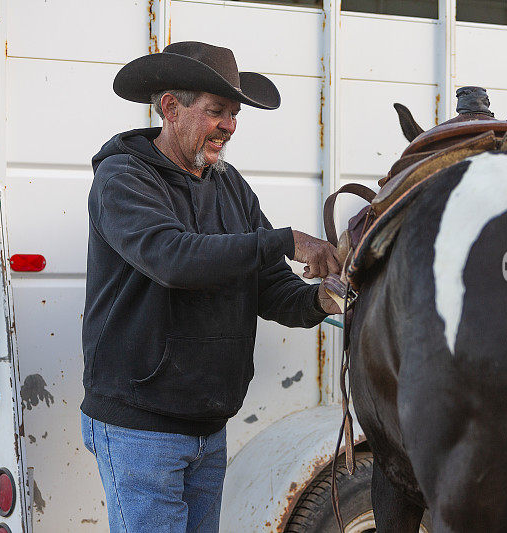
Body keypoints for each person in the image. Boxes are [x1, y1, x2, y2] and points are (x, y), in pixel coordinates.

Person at [79, 41, 341, 532]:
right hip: (141, 428)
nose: (230, 125)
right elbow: (173, 259)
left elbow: (273, 289)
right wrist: (283, 239)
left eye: (234, 114)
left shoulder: (230, 186)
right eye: (216, 111)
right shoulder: (122, 179)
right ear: (170, 108)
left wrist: (326, 295)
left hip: (208, 426)